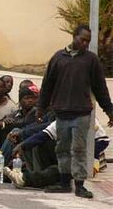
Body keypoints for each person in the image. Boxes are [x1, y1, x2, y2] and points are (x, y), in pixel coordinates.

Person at [36, 24, 113, 198]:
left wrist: (109, 110)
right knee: (62, 148)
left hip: (82, 114)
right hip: (61, 113)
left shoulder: (91, 60)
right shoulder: (58, 58)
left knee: (79, 149)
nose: (85, 43)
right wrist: (40, 107)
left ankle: (79, 185)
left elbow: (100, 88)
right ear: (74, 36)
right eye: (82, 39)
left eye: (88, 41)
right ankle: (64, 183)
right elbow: (47, 85)